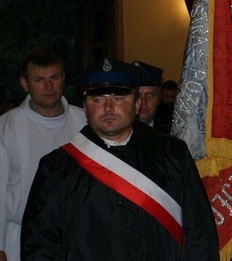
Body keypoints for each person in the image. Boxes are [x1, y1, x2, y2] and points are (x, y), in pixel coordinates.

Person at [21, 58, 219, 260]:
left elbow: (199, 233)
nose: (107, 108)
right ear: (85, 106)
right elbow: (41, 244)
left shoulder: (173, 155)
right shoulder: (57, 167)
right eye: (97, 100)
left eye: (118, 98)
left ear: (137, 103)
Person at [0, 49, 86, 261]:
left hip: (77, 234)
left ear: (63, 79)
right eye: (39, 80)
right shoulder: (7, 126)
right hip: (20, 236)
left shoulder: (84, 121)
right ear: (25, 83)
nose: (48, 87)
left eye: (54, 78)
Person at [131, 60, 167, 133]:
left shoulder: (171, 136)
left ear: (158, 98)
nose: (143, 101)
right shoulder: (113, 137)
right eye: (137, 95)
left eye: (150, 95)